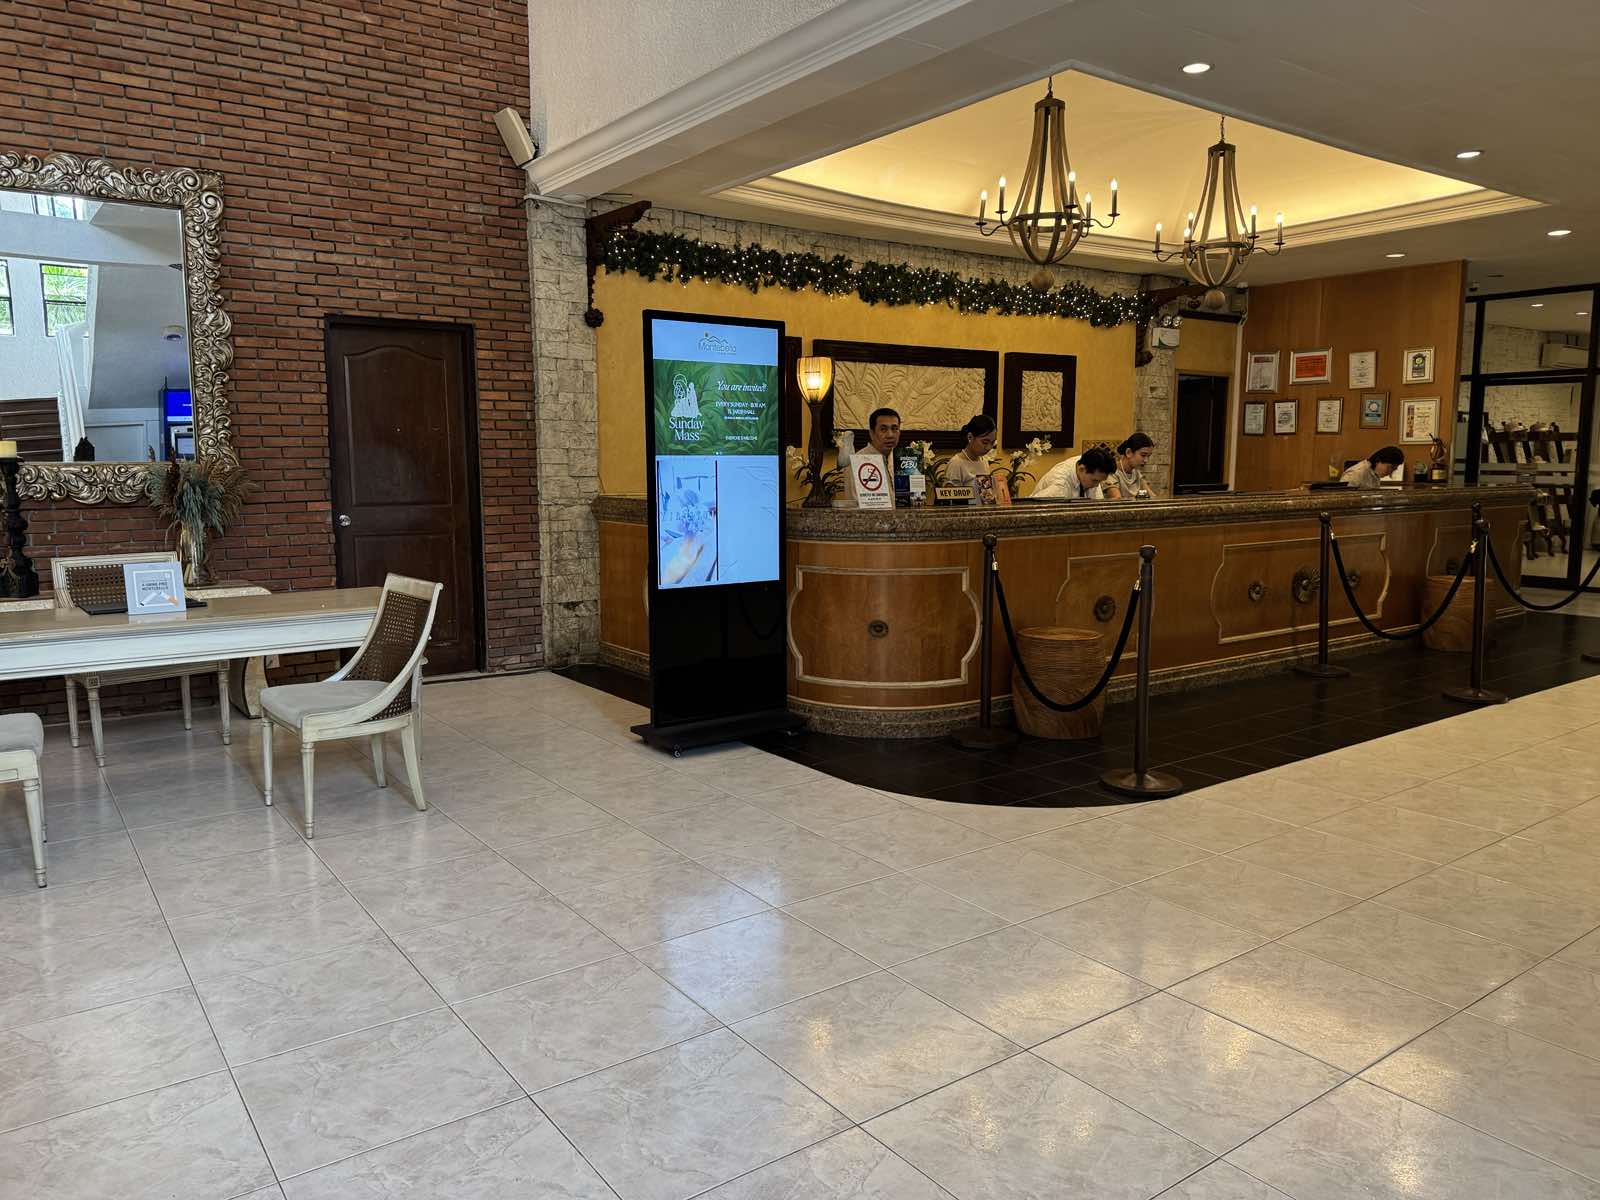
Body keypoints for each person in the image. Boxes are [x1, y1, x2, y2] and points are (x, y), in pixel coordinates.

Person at [846, 407, 901, 502]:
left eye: (894, 428)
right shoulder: (857, 462)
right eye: (883, 429)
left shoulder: (902, 460)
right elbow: (854, 503)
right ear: (872, 433)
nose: (890, 435)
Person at [1031, 445, 1115, 499]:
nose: (1096, 485)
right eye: (1095, 481)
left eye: (1100, 481)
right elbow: (1033, 509)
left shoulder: (1087, 464)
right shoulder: (1059, 486)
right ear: (1081, 469)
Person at [944, 414, 997, 487]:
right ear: (970, 437)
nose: (988, 447)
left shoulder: (984, 461)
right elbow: (951, 493)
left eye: (992, 442)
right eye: (985, 442)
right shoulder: (956, 464)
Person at [1105, 433, 1157, 499]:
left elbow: (1151, 496)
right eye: (1143, 455)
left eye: (1148, 456)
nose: (1146, 460)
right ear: (1128, 452)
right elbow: (1117, 499)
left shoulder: (1136, 473)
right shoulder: (1112, 472)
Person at [1340, 445, 1405, 489]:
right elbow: (1342, 498)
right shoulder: (1356, 474)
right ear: (1378, 461)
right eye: (1390, 467)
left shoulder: (1375, 474)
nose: (1390, 472)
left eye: (1394, 469)